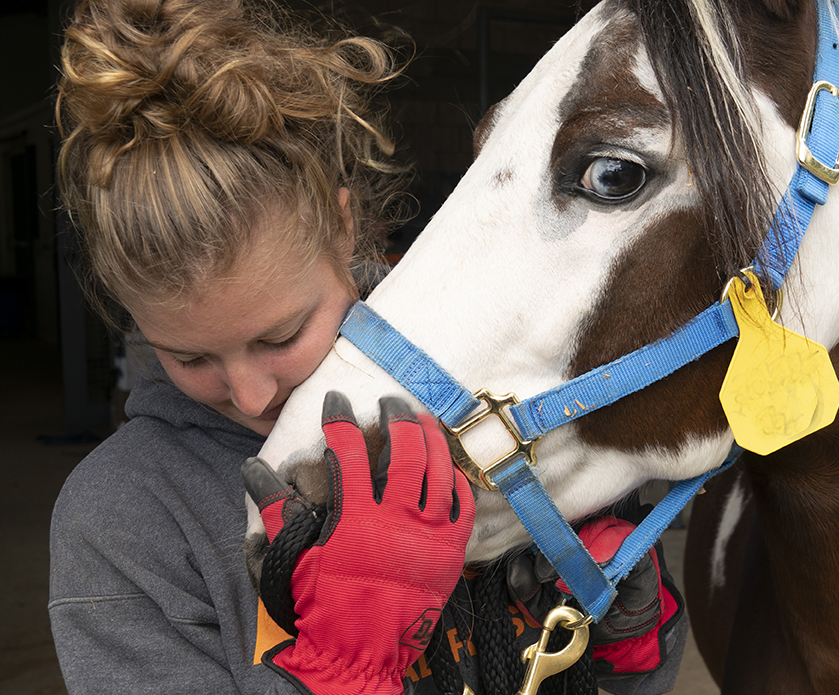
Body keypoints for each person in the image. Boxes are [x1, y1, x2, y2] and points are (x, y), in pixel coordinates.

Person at [48, 1, 688, 693]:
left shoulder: (483, 406)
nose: (253, 393)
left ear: (344, 229)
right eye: (190, 357)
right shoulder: (124, 522)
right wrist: (342, 670)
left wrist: (630, 644)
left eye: (280, 335)